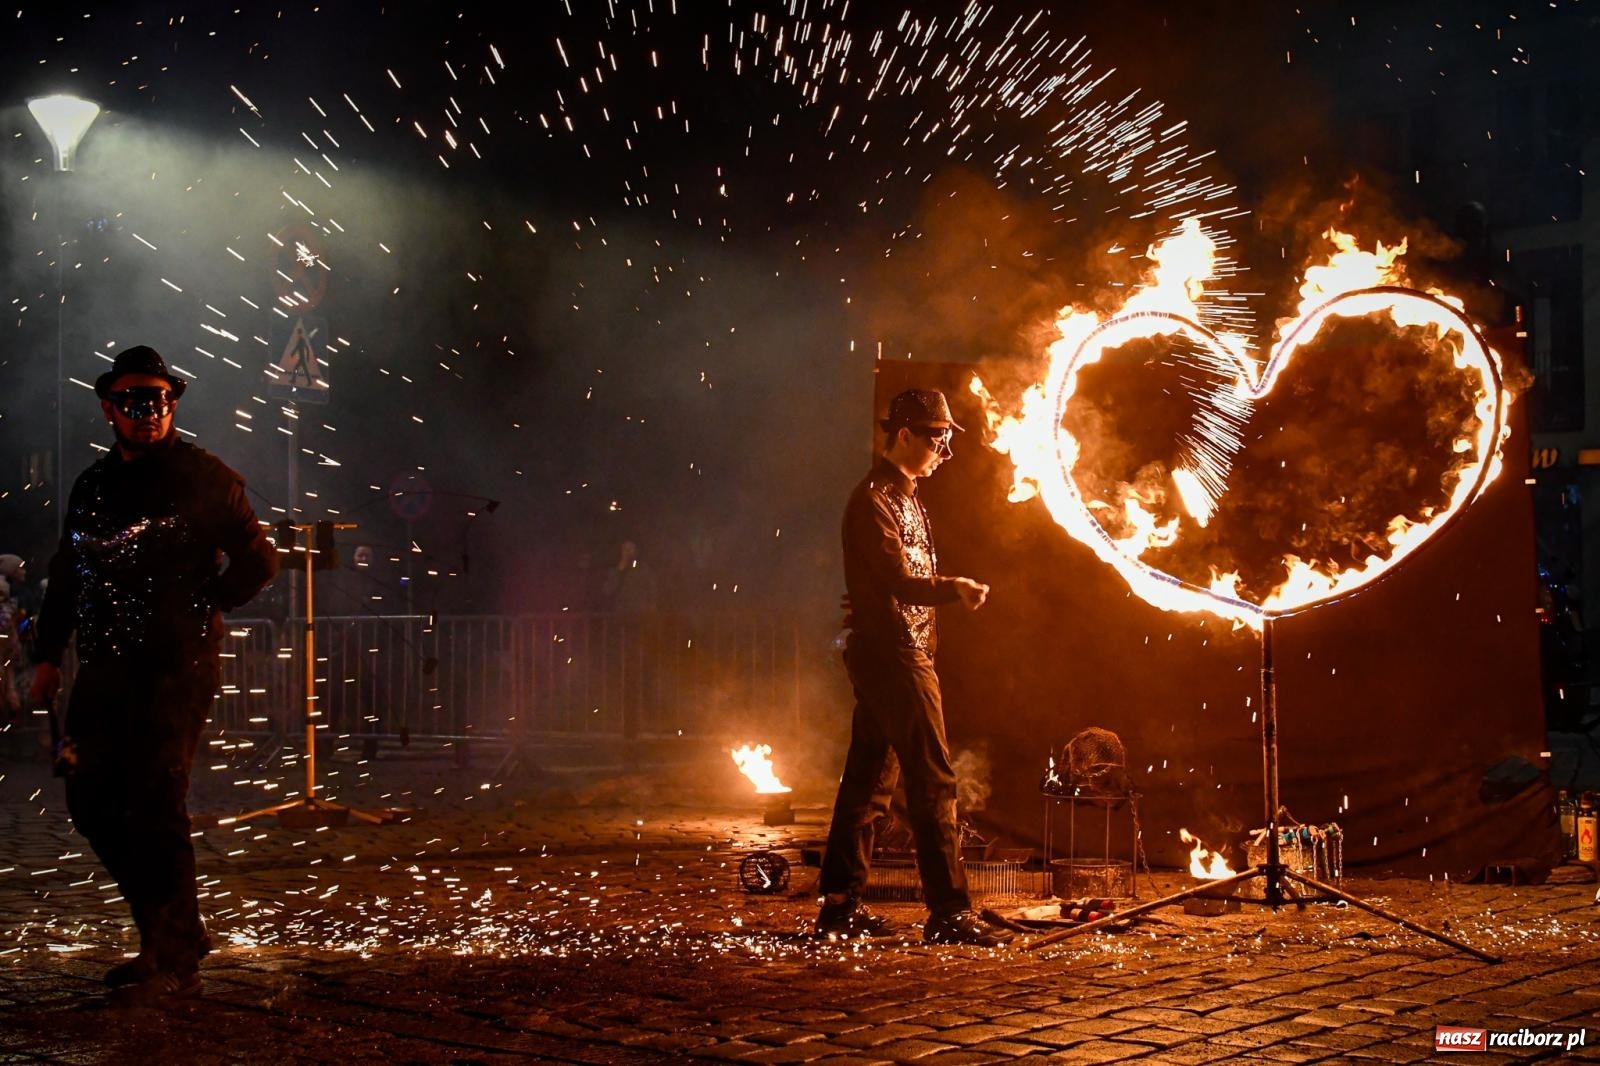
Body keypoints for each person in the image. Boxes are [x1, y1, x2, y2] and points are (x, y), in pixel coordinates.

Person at [29, 345, 278, 1006]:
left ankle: (169, 952)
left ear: (173, 404)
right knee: (89, 799)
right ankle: (172, 932)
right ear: (109, 407)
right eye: (135, 401)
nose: (148, 412)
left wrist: (210, 605)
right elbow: (67, 573)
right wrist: (49, 656)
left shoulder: (206, 476)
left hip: (177, 671)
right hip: (106, 670)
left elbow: (259, 560)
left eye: (161, 400)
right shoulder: (93, 486)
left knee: (157, 804)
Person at [816, 388, 1013, 947]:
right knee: (932, 779)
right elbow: (896, 580)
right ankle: (949, 912)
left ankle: (839, 907)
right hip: (894, 655)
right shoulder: (873, 499)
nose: (944, 451)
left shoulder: (905, 495)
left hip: (902, 652)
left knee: (870, 781)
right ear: (904, 434)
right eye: (937, 438)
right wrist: (953, 589)